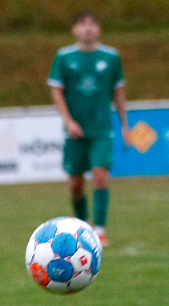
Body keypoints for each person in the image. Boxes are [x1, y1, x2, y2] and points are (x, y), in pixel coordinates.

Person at [47, 11, 130, 247]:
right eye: (82, 24)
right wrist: (68, 121)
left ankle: (100, 230)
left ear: (99, 30)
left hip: (101, 130)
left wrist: (125, 125)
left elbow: (119, 92)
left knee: (101, 175)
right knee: (75, 184)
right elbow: (56, 90)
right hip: (75, 132)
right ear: (74, 30)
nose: (88, 29)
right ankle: (83, 227)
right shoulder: (64, 57)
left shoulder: (111, 57)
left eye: (92, 24)